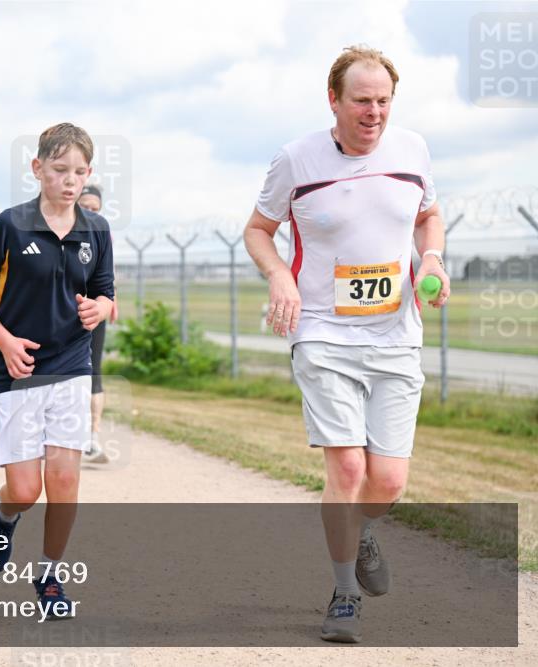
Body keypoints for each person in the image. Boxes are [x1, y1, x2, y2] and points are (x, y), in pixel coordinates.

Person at [244, 45, 449, 644]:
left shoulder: (412, 149)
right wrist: (280, 274)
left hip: (395, 336)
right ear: (333, 100)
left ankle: (362, 531)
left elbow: (428, 214)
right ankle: (343, 594)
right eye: (362, 100)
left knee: (386, 482)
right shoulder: (296, 159)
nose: (374, 112)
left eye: (383, 100)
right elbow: (258, 231)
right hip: (323, 334)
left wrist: (430, 256)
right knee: (349, 466)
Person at [0, 123, 115, 618]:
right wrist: (3, 341)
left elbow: (107, 290)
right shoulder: (9, 225)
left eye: (79, 172)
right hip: (19, 367)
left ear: (88, 174)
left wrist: (101, 309)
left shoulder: (97, 229)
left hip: (72, 363)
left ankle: (49, 575)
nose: (70, 181)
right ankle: (2, 517)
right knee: (25, 492)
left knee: (65, 481)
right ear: (38, 168)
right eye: (59, 169)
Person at [76, 184, 118, 464]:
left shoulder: (102, 232)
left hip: (94, 311)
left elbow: (107, 274)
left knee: (94, 370)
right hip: (62, 310)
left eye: (95, 208)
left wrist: (111, 301)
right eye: (86, 206)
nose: (91, 212)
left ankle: (92, 438)